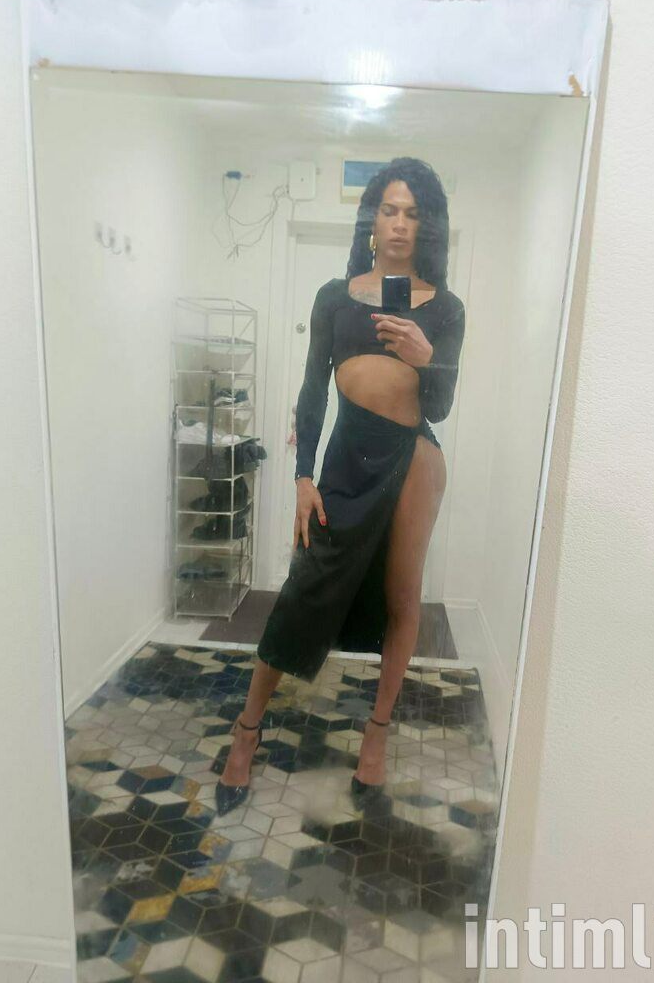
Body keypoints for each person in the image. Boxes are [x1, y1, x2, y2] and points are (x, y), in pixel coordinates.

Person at [215, 156, 466, 816]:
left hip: (413, 457)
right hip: (347, 459)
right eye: (389, 209)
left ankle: (376, 734)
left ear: (427, 225)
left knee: (403, 596)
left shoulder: (446, 308)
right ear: (372, 220)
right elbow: (312, 392)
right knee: (304, 591)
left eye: (413, 213)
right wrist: (303, 476)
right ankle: (247, 728)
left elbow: (439, 407)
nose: (400, 223)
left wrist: (427, 358)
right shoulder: (334, 296)